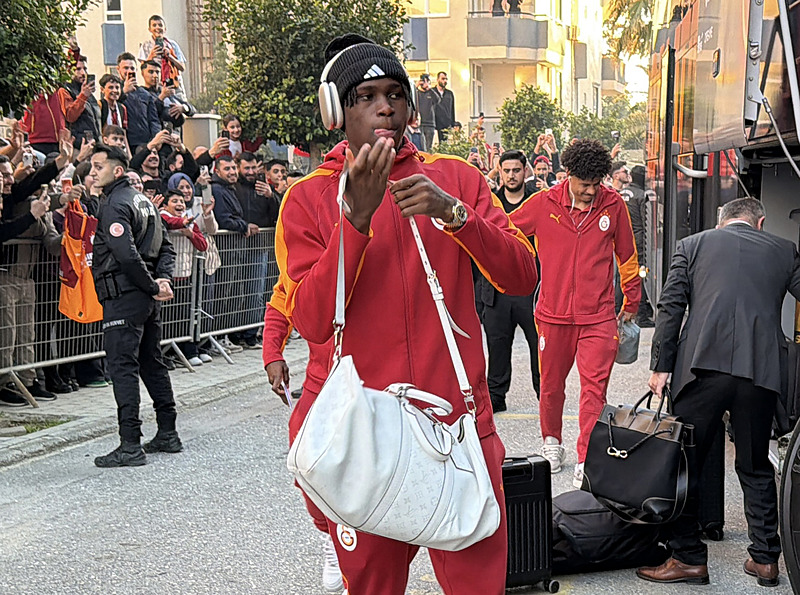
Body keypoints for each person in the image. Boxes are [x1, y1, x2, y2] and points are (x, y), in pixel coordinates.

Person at [276, 33, 538, 594]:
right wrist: (355, 221)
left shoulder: (457, 178)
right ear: (336, 112)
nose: (385, 107)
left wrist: (457, 215)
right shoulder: (308, 198)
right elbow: (313, 322)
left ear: (412, 107)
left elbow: (523, 275)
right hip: (366, 435)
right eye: (366, 96)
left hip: (458, 425)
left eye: (395, 94)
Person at [639, 198, 800, 587]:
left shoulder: (692, 245)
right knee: (755, 464)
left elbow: (671, 307)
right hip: (759, 372)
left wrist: (660, 366)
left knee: (684, 463)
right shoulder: (784, 250)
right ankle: (765, 559)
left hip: (701, 369)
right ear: (760, 222)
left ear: (720, 223)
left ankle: (688, 558)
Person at [509, 139, 640, 487]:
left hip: (598, 317)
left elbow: (628, 255)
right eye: (585, 184)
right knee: (551, 386)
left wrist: (632, 300)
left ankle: (586, 456)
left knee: (594, 391)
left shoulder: (613, 205)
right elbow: (505, 232)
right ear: (568, 175)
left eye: (597, 184)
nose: (591, 191)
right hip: (552, 316)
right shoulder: (543, 203)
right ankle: (552, 442)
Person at [90, 144, 181, 467]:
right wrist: (160, 281)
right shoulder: (144, 202)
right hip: (144, 297)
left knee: (123, 367)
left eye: (98, 166)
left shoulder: (116, 204)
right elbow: (166, 247)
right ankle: (168, 432)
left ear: (117, 171)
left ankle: (130, 443)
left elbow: (126, 254)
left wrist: (155, 284)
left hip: (125, 295)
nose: (92, 172)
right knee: (151, 362)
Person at [477, 150, 541, 413]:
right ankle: (496, 396)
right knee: (497, 347)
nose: (512, 175)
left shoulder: (538, 202)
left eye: (516, 170)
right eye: (507, 171)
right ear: (500, 172)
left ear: (525, 171)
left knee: (539, 348)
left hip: (530, 290)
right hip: (496, 291)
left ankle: (545, 395)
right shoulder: (488, 203)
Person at [116, 52, 161, 154]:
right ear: (118, 69)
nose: (129, 71)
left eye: (132, 68)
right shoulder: (114, 90)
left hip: (145, 142)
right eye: (126, 68)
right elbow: (111, 107)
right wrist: (124, 92)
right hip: (124, 142)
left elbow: (154, 120)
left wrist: (155, 139)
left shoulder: (145, 94)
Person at [57, 55, 102, 149]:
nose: (83, 73)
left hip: (93, 141)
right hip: (78, 143)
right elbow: (70, 116)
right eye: (78, 69)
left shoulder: (87, 93)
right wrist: (83, 96)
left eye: (85, 69)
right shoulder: (65, 90)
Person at [415, 73, 438, 151]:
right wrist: (416, 86)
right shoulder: (417, 93)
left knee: (428, 148)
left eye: (426, 81)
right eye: (423, 81)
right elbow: (410, 97)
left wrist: (429, 88)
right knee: (420, 147)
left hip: (430, 124)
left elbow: (437, 100)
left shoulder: (431, 93)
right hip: (419, 124)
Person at [433, 71, 455, 143]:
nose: (445, 81)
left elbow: (452, 109)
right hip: (435, 123)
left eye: (446, 79)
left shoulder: (449, 94)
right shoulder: (432, 92)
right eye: (442, 79)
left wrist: (452, 124)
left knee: (445, 144)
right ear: (437, 79)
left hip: (446, 124)